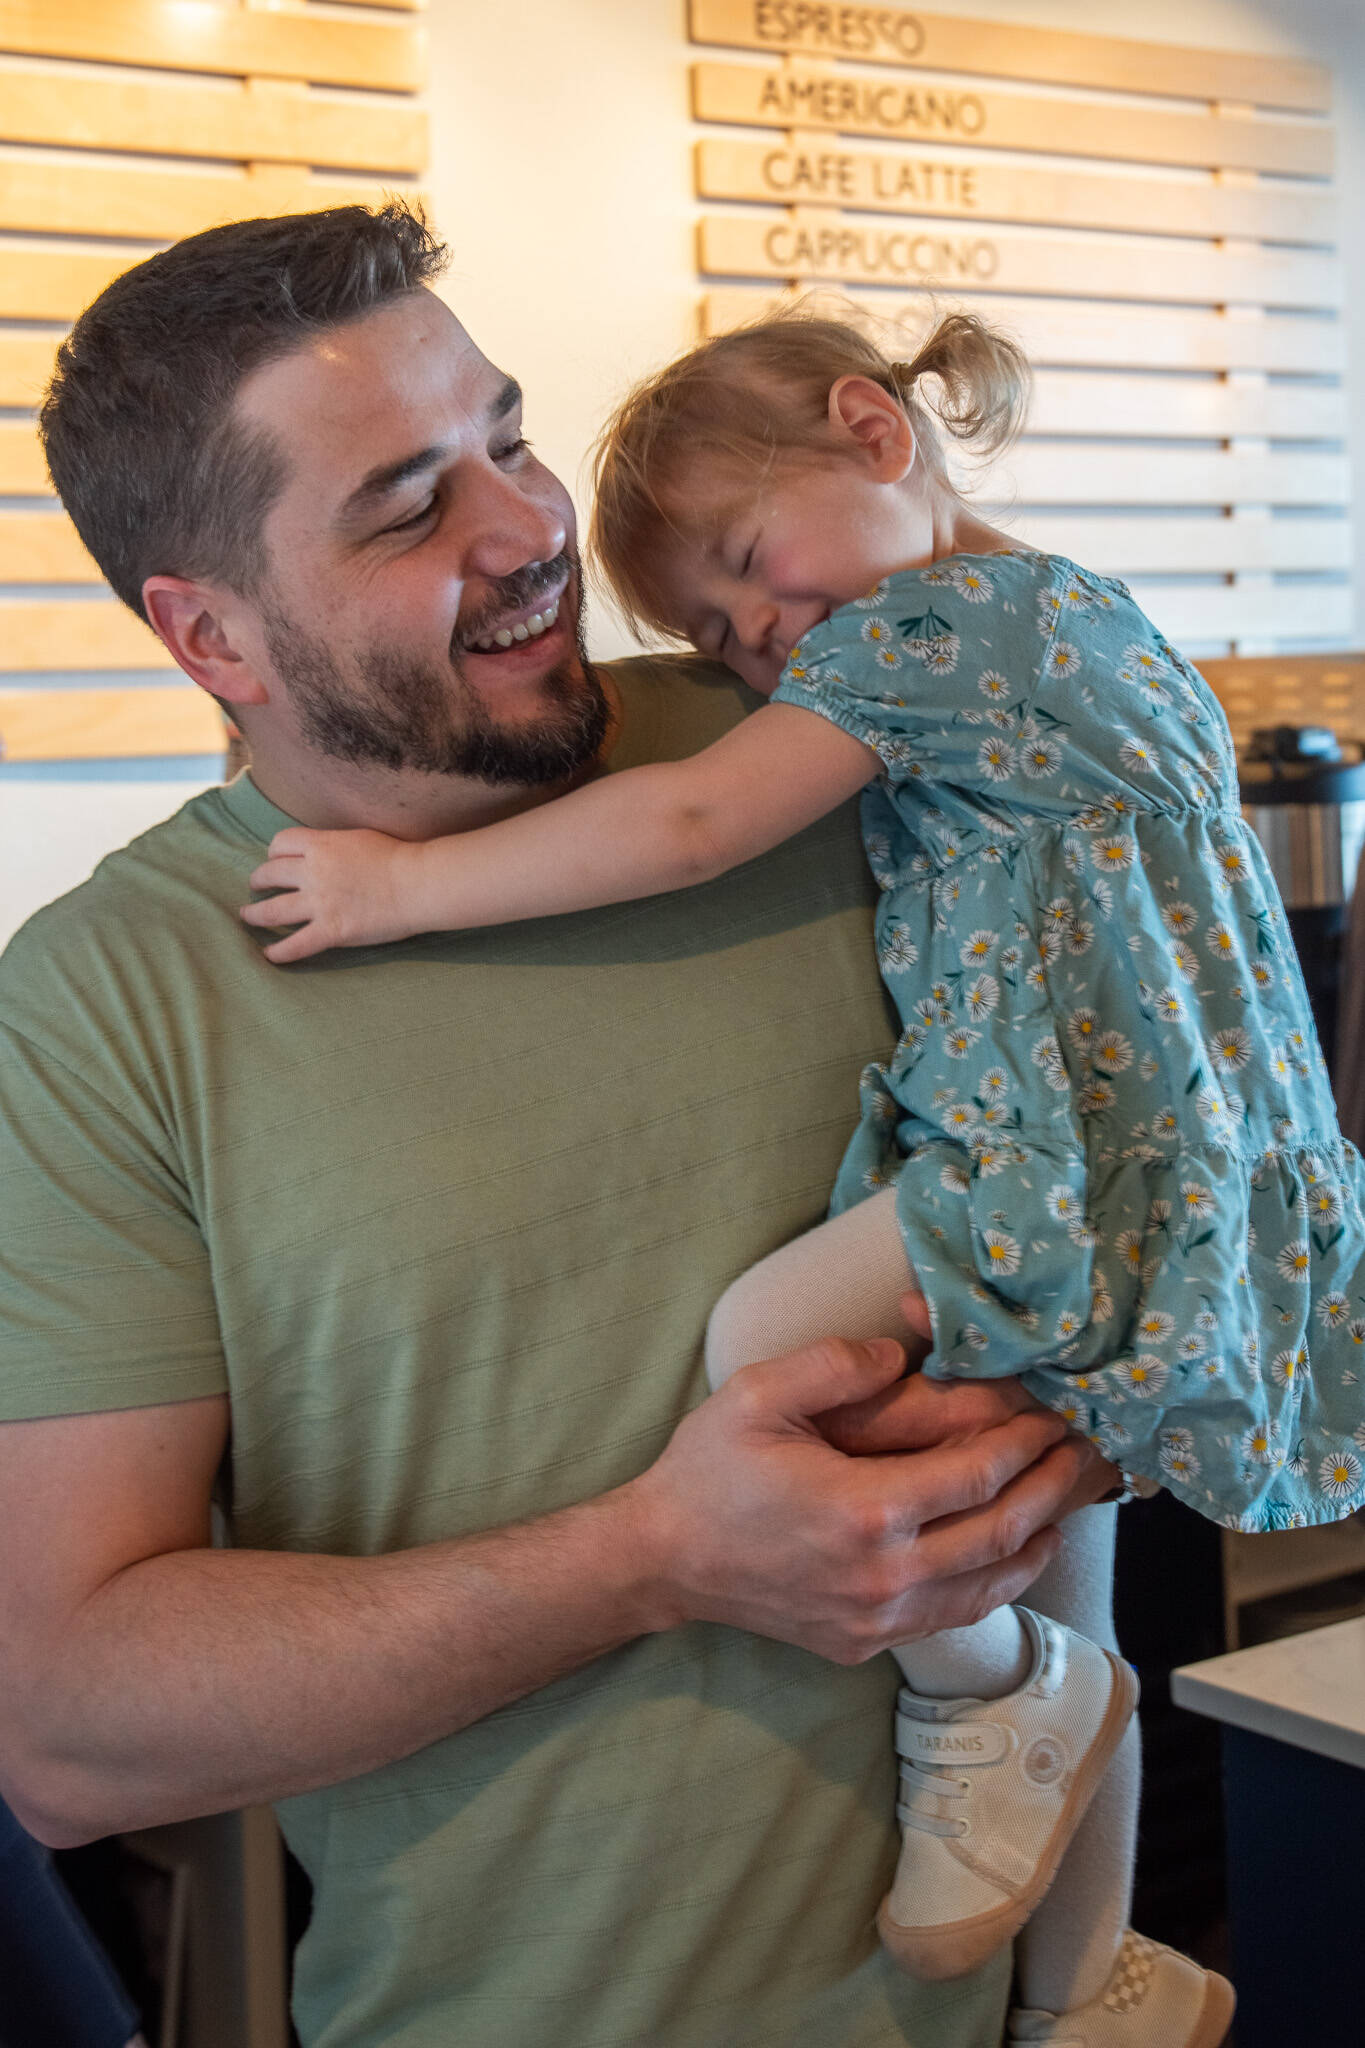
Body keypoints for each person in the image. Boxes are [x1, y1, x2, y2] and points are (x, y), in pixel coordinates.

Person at [0, 204, 1115, 2048]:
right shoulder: (107, 1010)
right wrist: (653, 1555)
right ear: (213, 634)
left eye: (505, 438)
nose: (528, 529)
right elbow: (64, 1730)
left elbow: (1155, 1071)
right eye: (405, 509)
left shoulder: (828, 736)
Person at [243, 308, 1364, 2047]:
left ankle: (987, 1688)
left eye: (749, 569)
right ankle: (1083, 1987)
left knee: (768, 1347)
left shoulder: (935, 628)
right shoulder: (1079, 611)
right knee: (1041, 1547)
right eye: (708, 633)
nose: (759, 641)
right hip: (1171, 1160)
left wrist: (397, 889)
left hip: (1060, 1166)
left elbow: (688, 823)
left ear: (874, 431)